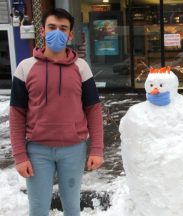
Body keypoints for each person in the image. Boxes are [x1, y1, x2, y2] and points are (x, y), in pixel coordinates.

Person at [9, 8, 104, 216]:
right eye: (51, 27)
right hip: (37, 151)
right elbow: (17, 114)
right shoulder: (25, 68)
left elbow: (93, 110)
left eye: (63, 29)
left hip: (73, 149)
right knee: (38, 209)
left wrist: (96, 148)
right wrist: (19, 155)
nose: (57, 33)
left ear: (70, 35)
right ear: (42, 31)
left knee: (72, 207)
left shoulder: (81, 67)